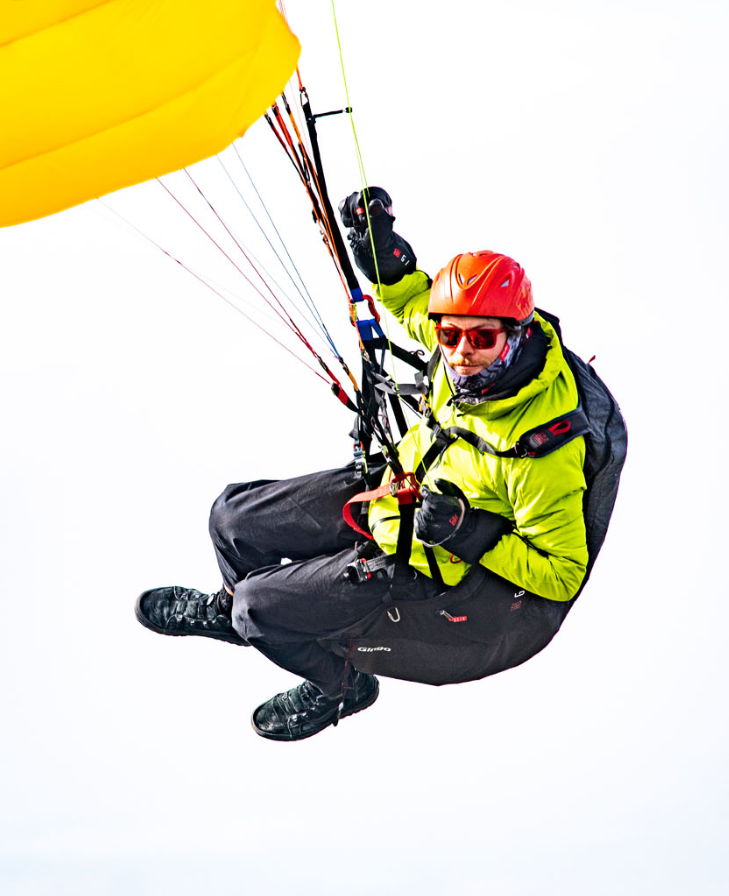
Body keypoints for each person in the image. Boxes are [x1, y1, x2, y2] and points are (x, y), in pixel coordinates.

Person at [135, 188, 626, 741]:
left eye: (482, 338)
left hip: (429, 562)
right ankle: (227, 611)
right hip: (397, 486)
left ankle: (341, 685)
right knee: (231, 517)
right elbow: (412, 300)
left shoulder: (544, 451)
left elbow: (561, 575)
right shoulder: (454, 343)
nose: (461, 352)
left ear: (516, 333)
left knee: (257, 609)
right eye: (449, 335)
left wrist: (469, 531)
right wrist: (384, 256)